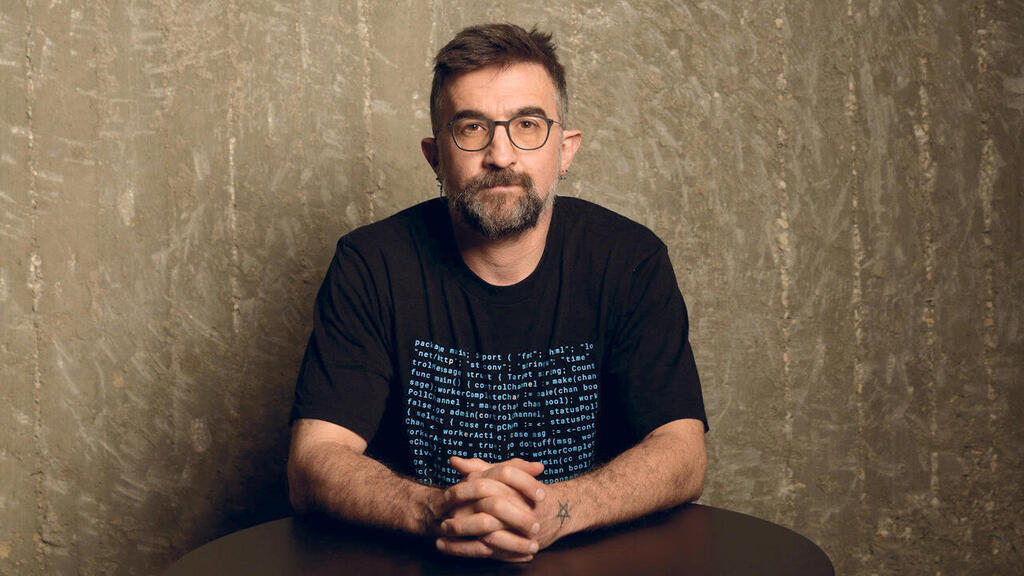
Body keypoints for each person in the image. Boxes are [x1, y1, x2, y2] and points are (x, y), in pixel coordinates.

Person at [287, 23, 708, 562]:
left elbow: (683, 452)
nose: (501, 155)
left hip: (591, 560)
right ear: (435, 156)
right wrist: (437, 509)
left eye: (528, 125)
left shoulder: (629, 260)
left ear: (565, 150)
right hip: (419, 564)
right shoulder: (371, 264)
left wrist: (555, 512)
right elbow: (312, 460)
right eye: (472, 128)